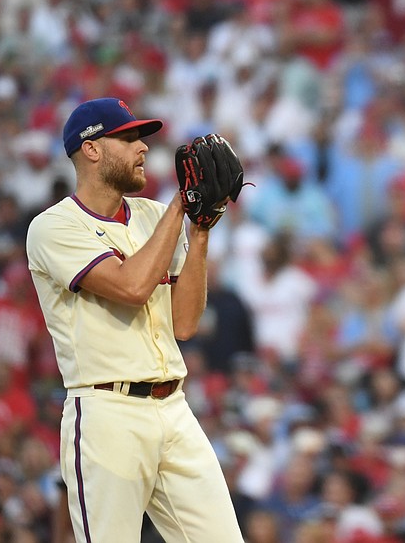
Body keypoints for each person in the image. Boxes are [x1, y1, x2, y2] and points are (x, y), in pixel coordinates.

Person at [26, 98, 243, 542]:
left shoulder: (150, 215)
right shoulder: (53, 227)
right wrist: (181, 207)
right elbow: (130, 286)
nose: (142, 148)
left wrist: (200, 230)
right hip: (108, 414)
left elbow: (185, 324)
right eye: (127, 138)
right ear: (91, 150)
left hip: (174, 409)